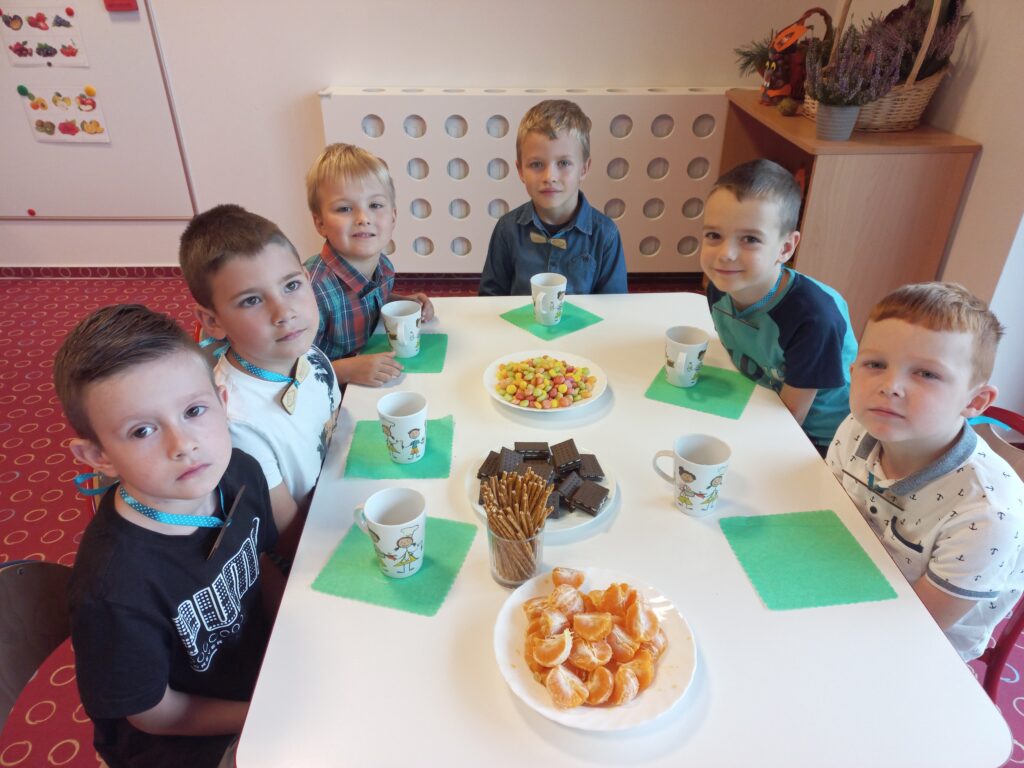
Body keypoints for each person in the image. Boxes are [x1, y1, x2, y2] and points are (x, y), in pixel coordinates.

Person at [55, 305, 281, 767]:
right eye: (142, 431)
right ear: (99, 456)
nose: (183, 445)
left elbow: (260, 564)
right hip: (186, 742)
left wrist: (290, 634)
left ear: (222, 401)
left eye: (194, 411)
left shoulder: (239, 472)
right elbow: (156, 715)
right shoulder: (113, 590)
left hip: (258, 676)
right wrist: (267, 714)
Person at [828, 283, 1024, 661]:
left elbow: (915, 628)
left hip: (921, 643)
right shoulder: (859, 425)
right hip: (849, 569)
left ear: (975, 400)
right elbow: (828, 510)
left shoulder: (987, 515)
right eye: (875, 364)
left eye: (926, 373)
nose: (890, 387)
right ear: (854, 370)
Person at [180, 204, 340, 558]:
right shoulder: (237, 424)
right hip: (313, 544)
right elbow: (289, 540)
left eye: (292, 285)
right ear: (212, 321)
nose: (284, 313)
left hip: (339, 494)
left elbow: (336, 433)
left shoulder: (309, 355)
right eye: (252, 300)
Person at [702, 158, 856, 453]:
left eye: (750, 239)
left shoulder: (815, 319)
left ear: (785, 248)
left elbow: (791, 418)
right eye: (714, 235)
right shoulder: (720, 285)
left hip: (821, 441)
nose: (725, 254)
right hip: (762, 400)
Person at [304, 143, 434, 386]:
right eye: (344, 208)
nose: (363, 219)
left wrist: (399, 302)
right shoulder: (311, 292)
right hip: (328, 395)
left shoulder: (384, 266)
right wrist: (345, 370)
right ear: (320, 223)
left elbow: (365, 302)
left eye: (375, 205)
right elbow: (286, 370)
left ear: (393, 216)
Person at [479, 99, 627, 296]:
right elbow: (490, 299)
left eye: (564, 163)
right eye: (537, 164)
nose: (550, 177)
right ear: (520, 171)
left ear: (584, 168)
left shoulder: (606, 235)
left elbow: (614, 307)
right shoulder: (507, 230)